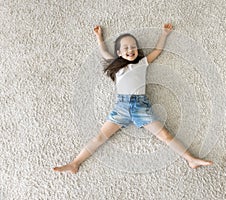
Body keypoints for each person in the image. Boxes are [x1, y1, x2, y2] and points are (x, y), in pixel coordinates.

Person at [53, 23, 213, 174]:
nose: (130, 50)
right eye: (126, 48)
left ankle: (191, 159)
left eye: (133, 47)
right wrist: (99, 37)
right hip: (121, 107)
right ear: (119, 53)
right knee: (100, 136)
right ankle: (75, 163)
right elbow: (103, 52)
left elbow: (157, 50)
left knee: (165, 135)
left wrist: (164, 34)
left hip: (140, 106)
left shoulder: (142, 63)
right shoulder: (117, 65)